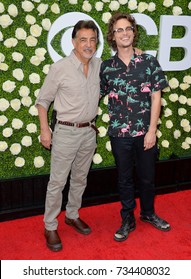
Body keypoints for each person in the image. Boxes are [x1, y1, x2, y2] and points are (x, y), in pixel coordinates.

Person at [100, 12, 171, 242]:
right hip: (119, 133)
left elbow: (156, 97)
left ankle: (148, 213)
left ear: (134, 32)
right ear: (113, 35)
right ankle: (127, 217)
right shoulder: (106, 67)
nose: (124, 33)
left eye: (128, 28)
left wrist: (152, 130)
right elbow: (93, 93)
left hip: (145, 133)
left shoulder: (149, 61)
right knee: (124, 177)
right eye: (119, 30)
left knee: (148, 177)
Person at [35, 20, 101, 251]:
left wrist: (137, 53)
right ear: (74, 42)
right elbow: (43, 101)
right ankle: (50, 226)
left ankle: (72, 214)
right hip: (64, 132)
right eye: (83, 39)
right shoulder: (59, 68)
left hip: (89, 132)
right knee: (58, 182)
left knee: (80, 179)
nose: (88, 44)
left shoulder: (99, 66)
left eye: (92, 39)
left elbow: (123, 66)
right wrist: (45, 130)